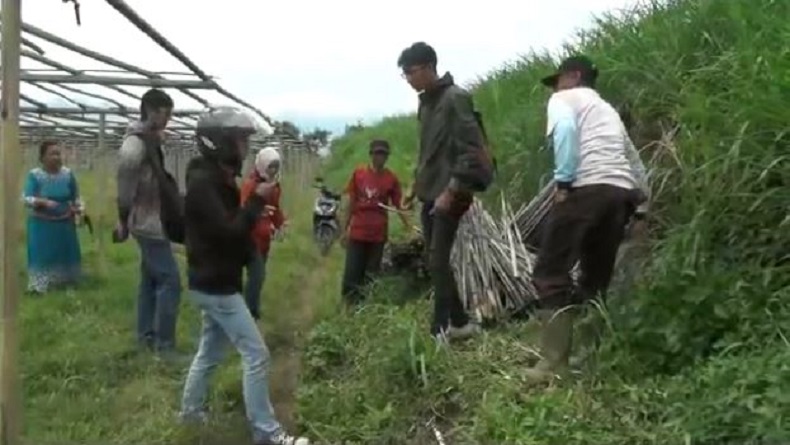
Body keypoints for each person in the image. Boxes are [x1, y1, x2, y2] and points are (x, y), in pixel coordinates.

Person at [179, 106, 309, 445]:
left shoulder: (215, 179)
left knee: (209, 352)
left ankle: (191, 414)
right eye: (238, 140)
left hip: (214, 279)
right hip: (216, 285)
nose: (243, 147)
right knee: (257, 355)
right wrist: (254, 203)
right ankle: (266, 433)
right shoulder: (204, 184)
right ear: (218, 143)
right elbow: (229, 232)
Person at [525, 55, 650, 381]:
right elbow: (633, 159)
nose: (554, 87)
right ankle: (590, 355)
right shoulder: (607, 110)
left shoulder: (563, 99)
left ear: (574, 76)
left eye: (559, 79)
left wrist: (564, 182)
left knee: (550, 271)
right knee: (595, 276)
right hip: (620, 193)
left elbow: (565, 130)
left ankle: (553, 364)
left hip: (586, 189)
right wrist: (643, 206)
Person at [397, 41, 493, 341]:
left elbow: (470, 149)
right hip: (430, 191)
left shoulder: (456, 98)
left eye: (410, 72)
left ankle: (439, 331)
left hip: (452, 192)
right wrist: (415, 185)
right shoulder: (426, 103)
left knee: (437, 259)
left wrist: (451, 191)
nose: (408, 79)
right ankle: (461, 323)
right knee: (433, 257)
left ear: (427, 67)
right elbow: (429, 151)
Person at [115, 88, 182, 354]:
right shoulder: (135, 144)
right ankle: (164, 346)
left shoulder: (148, 139)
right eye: (164, 114)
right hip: (146, 221)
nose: (167, 120)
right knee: (170, 280)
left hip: (153, 218)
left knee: (150, 280)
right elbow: (124, 185)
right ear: (150, 111)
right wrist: (123, 220)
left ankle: (145, 338)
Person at [339, 139, 410, 305]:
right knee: (352, 274)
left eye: (383, 154)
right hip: (358, 233)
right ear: (371, 155)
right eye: (377, 153)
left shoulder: (391, 179)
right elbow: (350, 203)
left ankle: (366, 308)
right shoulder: (359, 175)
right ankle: (348, 308)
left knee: (371, 275)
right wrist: (344, 230)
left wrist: (409, 226)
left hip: (377, 236)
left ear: (387, 157)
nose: (380, 157)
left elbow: (399, 205)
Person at [23, 140, 83, 294]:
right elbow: (26, 198)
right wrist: (42, 202)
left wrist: (79, 207)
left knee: (65, 252)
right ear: (42, 157)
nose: (56, 157)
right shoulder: (35, 176)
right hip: (41, 225)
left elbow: (76, 197)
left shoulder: (68, 174)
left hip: (65, 224)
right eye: (52, 154)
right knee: (42, 254)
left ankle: (66, 283)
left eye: (58, 153)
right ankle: (40, 287)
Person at [239, 147, 287, 320]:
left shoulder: (274, 186)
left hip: (265, 238)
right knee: (257, 275)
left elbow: (275, 208)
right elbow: (243, 207)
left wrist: (280, 224)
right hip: (250, 238)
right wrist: (258, 209)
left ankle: (253, 307)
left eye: (276, 167)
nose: (273, 171)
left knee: (258, 276)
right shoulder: (250, 184)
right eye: (270, 167)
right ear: (262, 165)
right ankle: (249, 312)